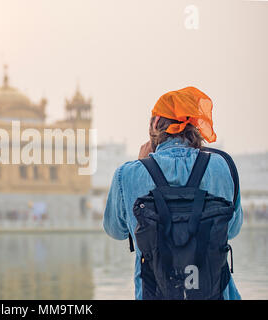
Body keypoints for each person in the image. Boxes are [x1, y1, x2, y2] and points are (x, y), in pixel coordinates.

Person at [103, 87, 243, 300]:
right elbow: (231, 230)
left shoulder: (128, 174)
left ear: (155, 125)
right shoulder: (222, 167)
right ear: (195, 126)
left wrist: (142, 164)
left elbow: (115, 230)